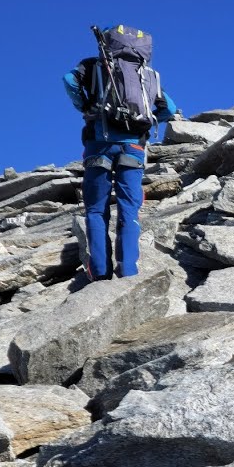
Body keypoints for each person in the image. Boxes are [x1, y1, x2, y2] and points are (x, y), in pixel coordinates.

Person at [63, 25, 178, 280]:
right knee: (129, 209)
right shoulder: (147, 75)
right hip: (134, 147)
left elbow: (68, 80)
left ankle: (100, 272)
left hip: (99, 144)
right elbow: (169, 109)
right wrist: (143, 122)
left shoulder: (94, 65)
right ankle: (128, 270)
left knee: (96, 209)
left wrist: (85, 106)